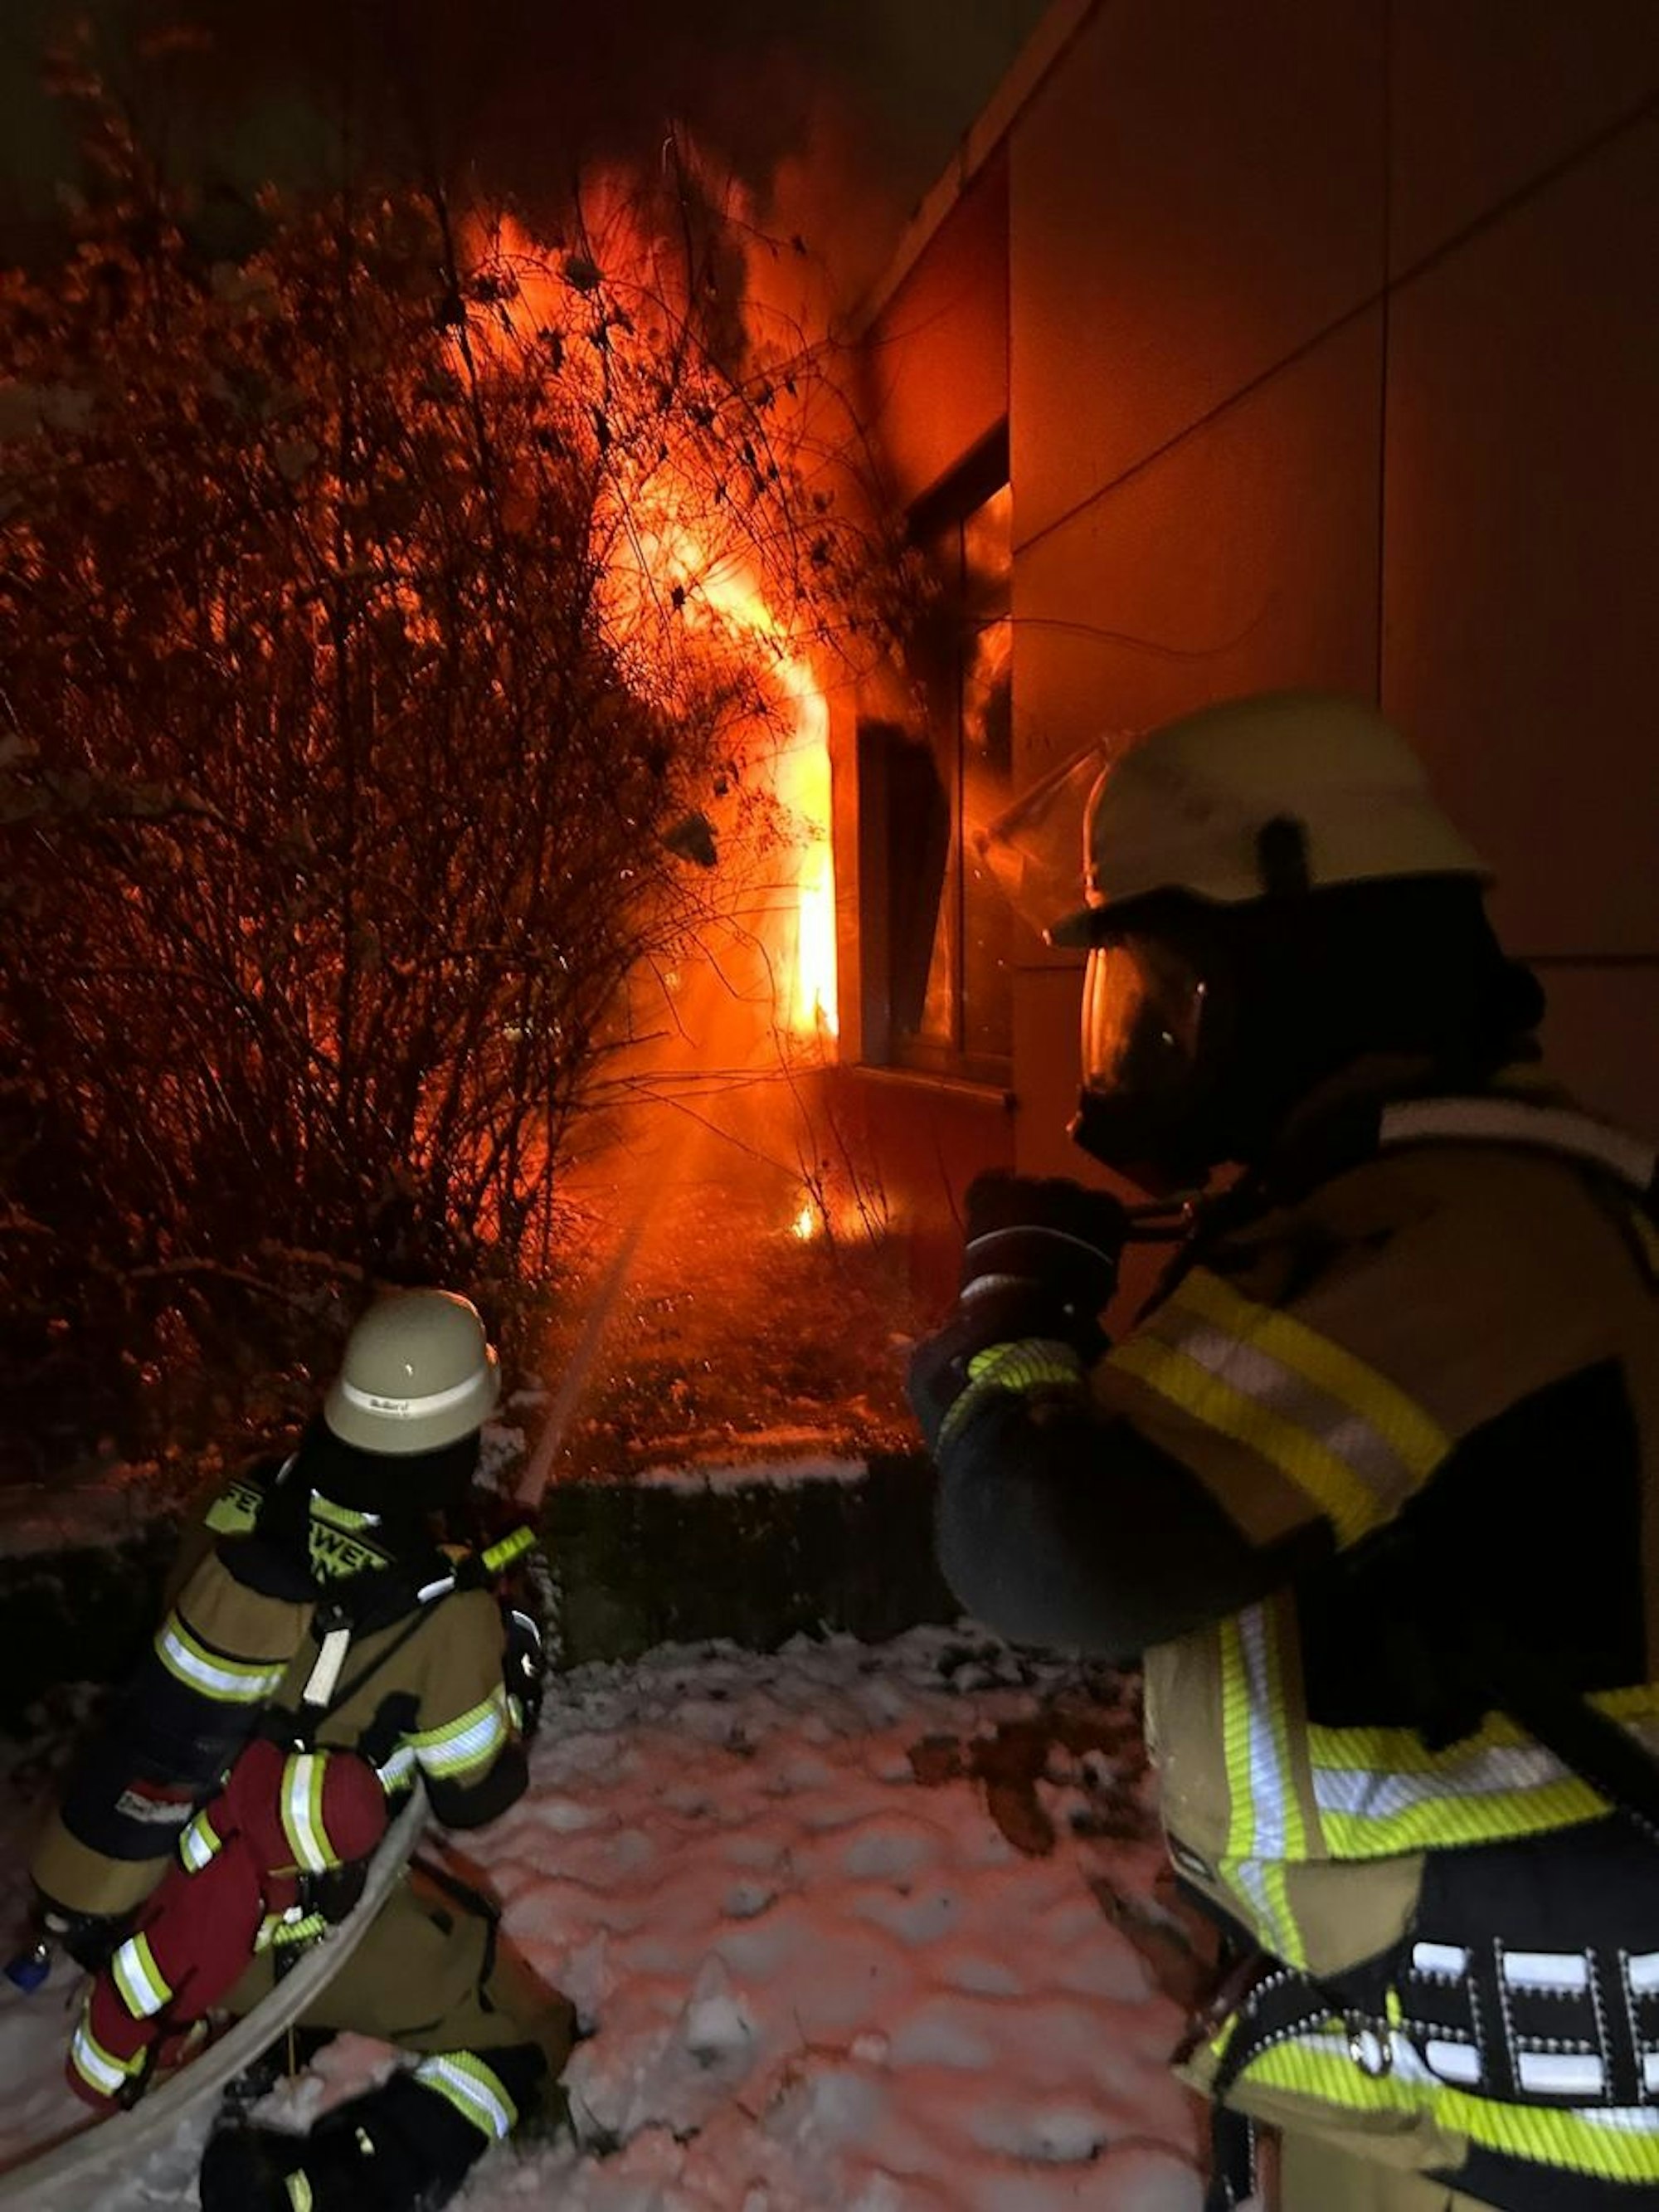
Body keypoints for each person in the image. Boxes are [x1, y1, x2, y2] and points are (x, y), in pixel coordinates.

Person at [907, 692, 1659, 2211]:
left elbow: (1067, 1546)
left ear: (1304, 956)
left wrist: (1012, 1340)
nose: (1136, 1041)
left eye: (1163, 990)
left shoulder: (1447, 1227)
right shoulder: (1432, 1199)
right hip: (1441, 2063)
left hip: (1519, 2117)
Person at [29, 1287, 576, 2212]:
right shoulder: (448, 1611)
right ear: (461, 1432)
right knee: (526, 2028)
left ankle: (251, 2033)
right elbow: (473, 1795)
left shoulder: (238, 1502)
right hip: (284, 1921)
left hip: (159, 1880)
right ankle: (334, 2188)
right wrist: (513, 1660)